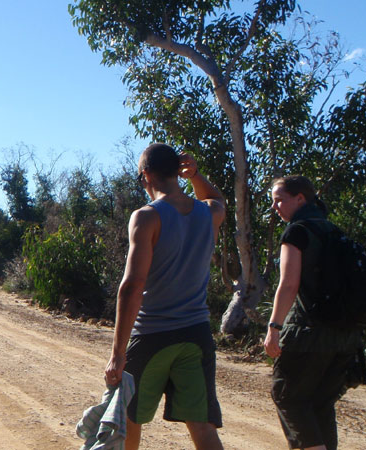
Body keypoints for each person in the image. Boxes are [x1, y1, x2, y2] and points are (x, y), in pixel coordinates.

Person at [104, 143, 226, 450]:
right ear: (176, 172)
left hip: (153, 335)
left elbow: (132, 286)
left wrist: (118, 354)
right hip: (196, 335)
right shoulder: (208, 213)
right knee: (202, 423)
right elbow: (217, 199)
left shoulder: (147, 217)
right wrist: (196, 176)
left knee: (126, 420)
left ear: (145, 175)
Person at [263, 175, 362, 450]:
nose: (275, 207)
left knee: (288, 397)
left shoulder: (297, 231)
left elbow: (289, 284)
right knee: (320, 404)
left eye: (279, 200)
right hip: (346, 338)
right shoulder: (333, 230)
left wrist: (274, 327)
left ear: (300, 199)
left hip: (309, 335)